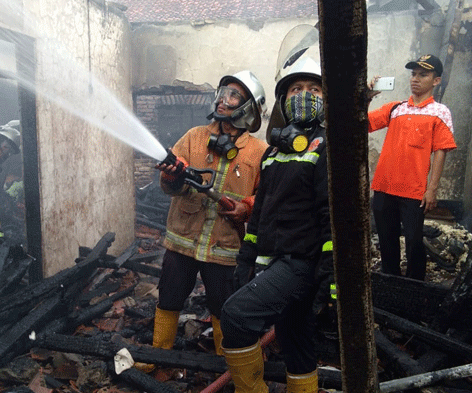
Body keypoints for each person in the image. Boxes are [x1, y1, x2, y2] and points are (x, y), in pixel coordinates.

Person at [219, 42, 333, 392]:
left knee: (236, 316)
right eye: (296, 89)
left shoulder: (326, 148)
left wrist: (330, 280)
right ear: (283, 99)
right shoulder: (272, 153)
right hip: (273, 262)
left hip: (301, 265)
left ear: (325, 99)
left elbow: (332, 218)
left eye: (314, 89)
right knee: (295, 342)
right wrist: (245, 259)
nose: (305, 95)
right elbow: (262, 212)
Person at [137, 71, 269, 371]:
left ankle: (225, 366)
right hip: (182, 240)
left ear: (250, 107)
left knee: (223, 307)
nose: (224, 99)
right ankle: (159, 357)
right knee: (169, 298)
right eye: (222, 92)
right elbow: (171, 187)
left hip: (224, 247)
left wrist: (245, 208)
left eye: (233, 95)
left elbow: (265, 198)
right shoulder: (195, 137)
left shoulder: (259, 152)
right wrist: (171, 175)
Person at [368, 54, 457, 281]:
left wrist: (432, 189)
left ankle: (415, 286)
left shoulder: (440, 112)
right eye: (413, 74)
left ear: (436, 81)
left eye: (423, 75)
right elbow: (360, 123)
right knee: (387, 241)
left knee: (414, 243)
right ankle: (391, 283)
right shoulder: (395, 109)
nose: (415, 79)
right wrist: (367, 97)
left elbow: (441, 150)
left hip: (413, 191)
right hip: (383, 187)